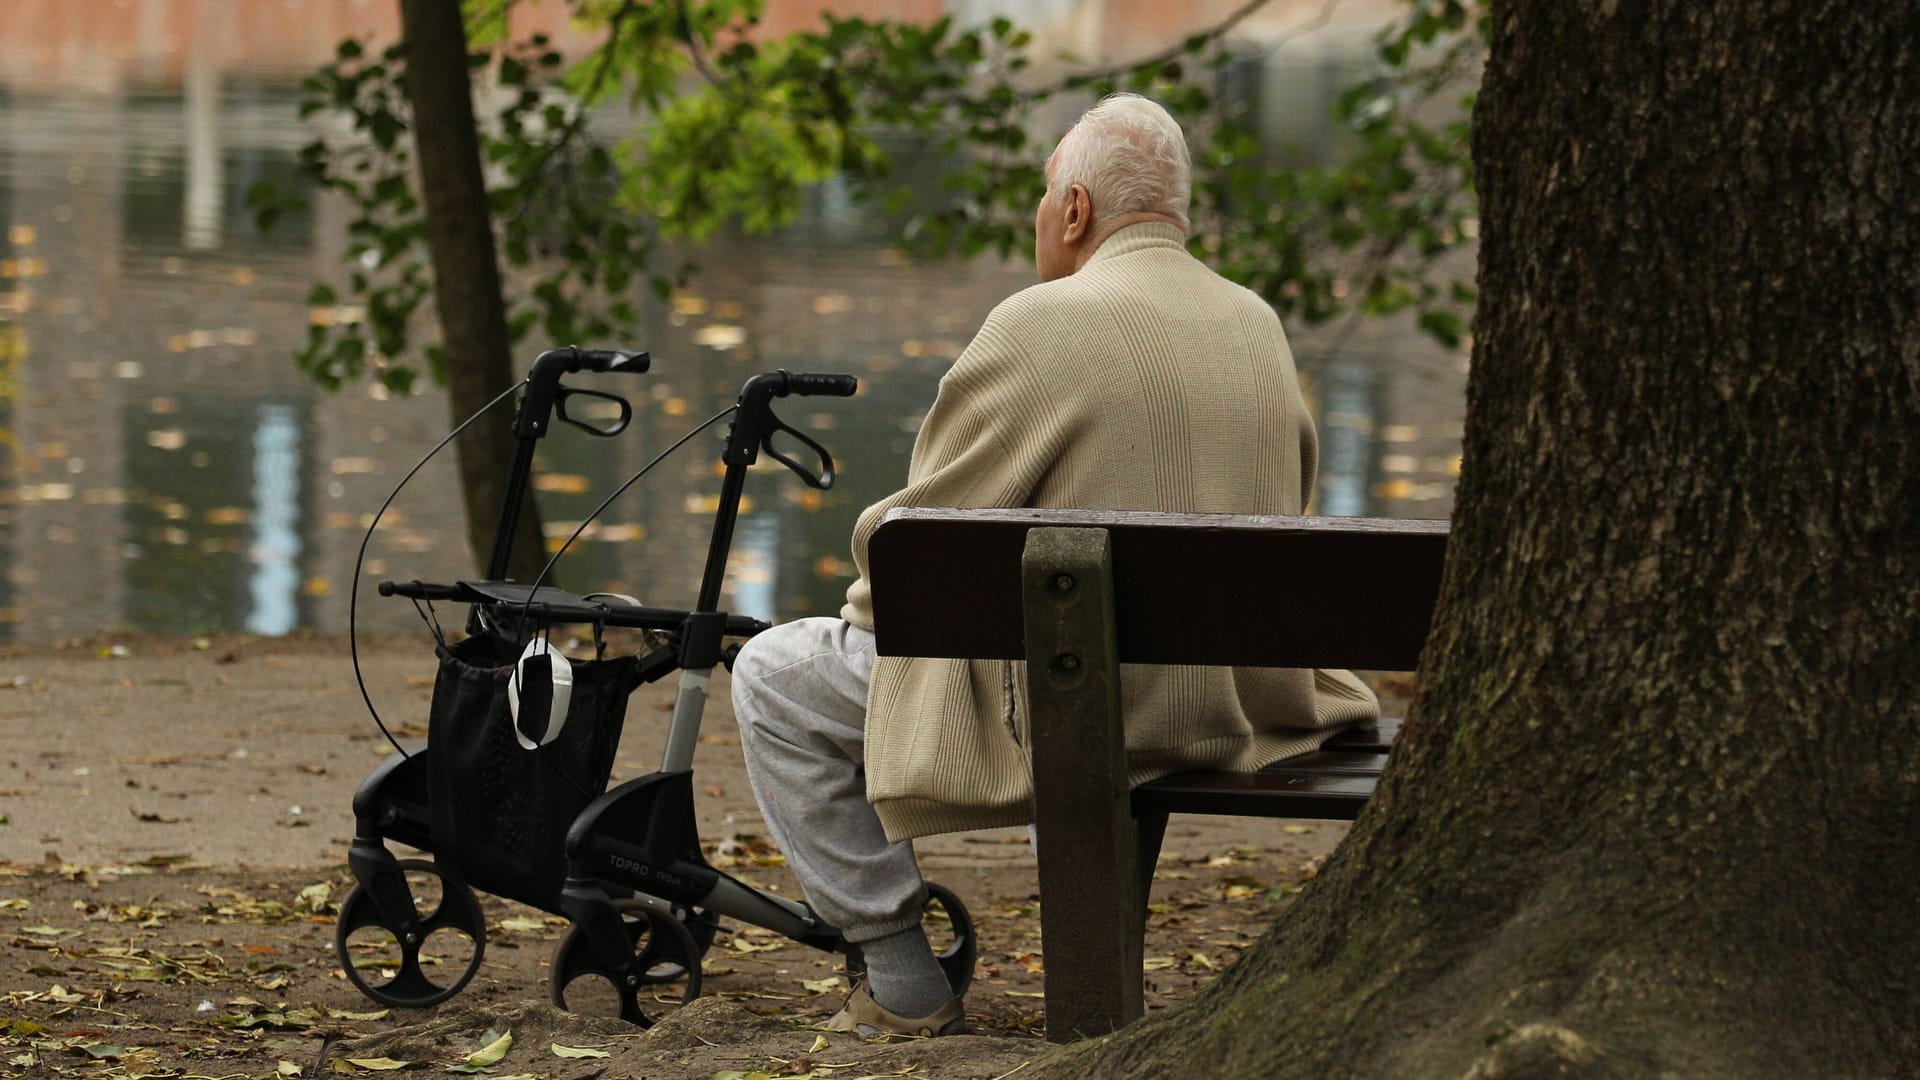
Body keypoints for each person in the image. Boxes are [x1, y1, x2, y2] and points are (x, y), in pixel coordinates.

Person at [729, 93, 1379, 1038]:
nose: (1042, 214)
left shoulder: (1040, 323)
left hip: (1086, 703)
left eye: (1044, 194)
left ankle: (904, 983)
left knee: (773, 677)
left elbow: (915, 555)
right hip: (1231, 699)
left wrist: (876, 599)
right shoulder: (1258, 326)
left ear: (1074, 210)